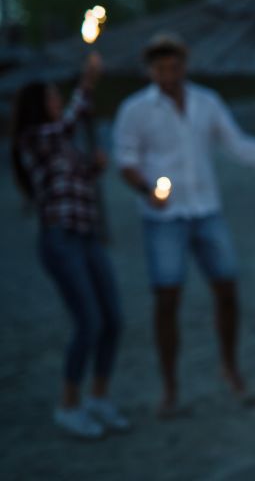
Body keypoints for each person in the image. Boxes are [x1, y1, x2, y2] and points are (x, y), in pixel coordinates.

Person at [113, 33, 255, 416]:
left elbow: (236, 144)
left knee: (227, 289)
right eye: (160, 67)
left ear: (184, 64)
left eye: (174, 65)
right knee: (167, 299)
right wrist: (147, 189)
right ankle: (170, 386)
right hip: (164, 217)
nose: (168, 73)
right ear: (150, 70)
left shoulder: (205, 101)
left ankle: (229, 368)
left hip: (206, 210)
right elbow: (125, 159)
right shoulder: (135, 109)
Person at [11, 54, 130, 439]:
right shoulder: (34, 138)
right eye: (51, 97)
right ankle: (68, 404)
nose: (58, 101)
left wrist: (93, 166)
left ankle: (98, 397)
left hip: (87, 234)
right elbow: (67, 125)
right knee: (88, 322)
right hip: (60, 240)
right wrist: (89, 82)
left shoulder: (61, 144)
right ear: (36, 105)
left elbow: (75, 178)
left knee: (112, 318)